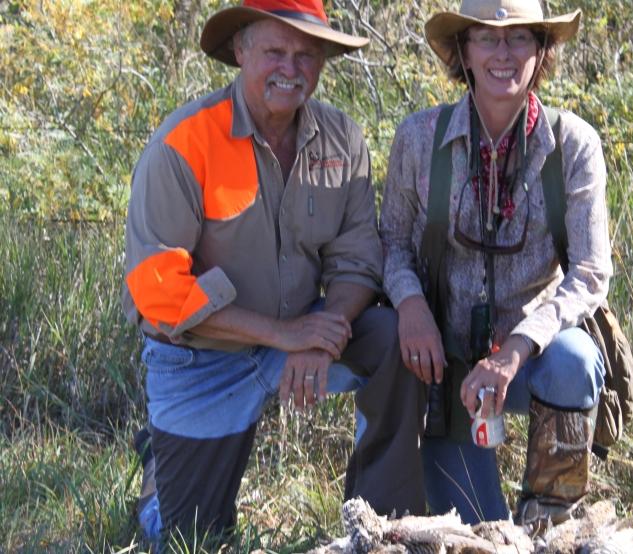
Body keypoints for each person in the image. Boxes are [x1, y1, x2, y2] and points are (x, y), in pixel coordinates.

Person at [123, 0, 426, 542]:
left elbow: (359, 261)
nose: (292, 69)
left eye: (307, 55)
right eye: (275, 51)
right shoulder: (184, 144)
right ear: (240, 50)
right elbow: (158, 293)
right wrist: (285, 335)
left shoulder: (342, 138)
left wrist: (319, 336)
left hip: (306, 327)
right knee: (192, 539)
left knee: (391, 340)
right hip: (201, 358)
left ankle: (384, 530)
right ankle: (158, 483)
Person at [380, 0, 611, 529]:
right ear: (463, 50)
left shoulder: (573, 145)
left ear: (541, 50)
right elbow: (391, 240)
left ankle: (554, 516)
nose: (502, 54)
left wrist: (514, 349)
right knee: (480, 534)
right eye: (486, 38)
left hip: (536, 356)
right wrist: (411, 305)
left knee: (574, 362)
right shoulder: (419, 138)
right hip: (445, 365)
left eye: (519, 39)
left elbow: (591, 273)